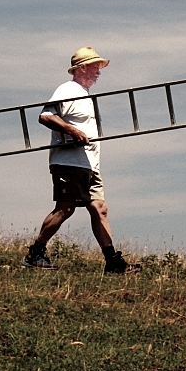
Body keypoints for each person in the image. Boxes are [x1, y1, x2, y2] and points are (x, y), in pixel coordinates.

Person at [22, 46, 133, 274]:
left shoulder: (85, 95)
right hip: (69, 162)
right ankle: (35, 254)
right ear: (82, 68)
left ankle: (112, 262)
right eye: (95, 67)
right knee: (65, 208)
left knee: (99, 208)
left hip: (89, 163)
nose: (99, 72)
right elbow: (46, 116)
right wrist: (72, 131)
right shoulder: (68, 89)